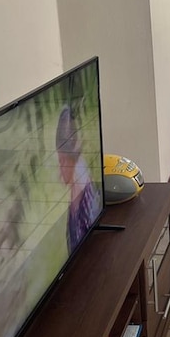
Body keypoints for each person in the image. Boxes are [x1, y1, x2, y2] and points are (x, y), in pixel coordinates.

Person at [56, 105, 102, 252]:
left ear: (66, 159)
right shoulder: (78, 187)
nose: (59, 171)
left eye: (60, 161)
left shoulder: (87, 206)